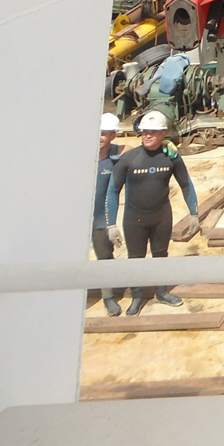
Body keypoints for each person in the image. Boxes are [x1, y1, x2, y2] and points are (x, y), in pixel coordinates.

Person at [105, 110, 200, 316]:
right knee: (136, 258)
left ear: (163, 133)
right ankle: (137, 296)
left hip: (161, 217)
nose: (147, 135)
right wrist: (111, 225)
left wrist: (194, 213)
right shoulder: (129, 158)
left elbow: (186, 184)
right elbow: (112, 190)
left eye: (153, 132)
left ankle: (161, 292)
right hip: (134, 218)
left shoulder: (171, 157)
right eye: (144, 131)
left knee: (160, 256)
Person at [93, 113, 125, 316]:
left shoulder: (115, 157)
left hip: (99, 218)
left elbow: (138, 151)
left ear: (113, 136)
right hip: (74, 220)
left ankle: (107, 296)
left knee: (104, 257)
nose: (99, 138)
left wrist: (166, 146)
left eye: (104, 134)